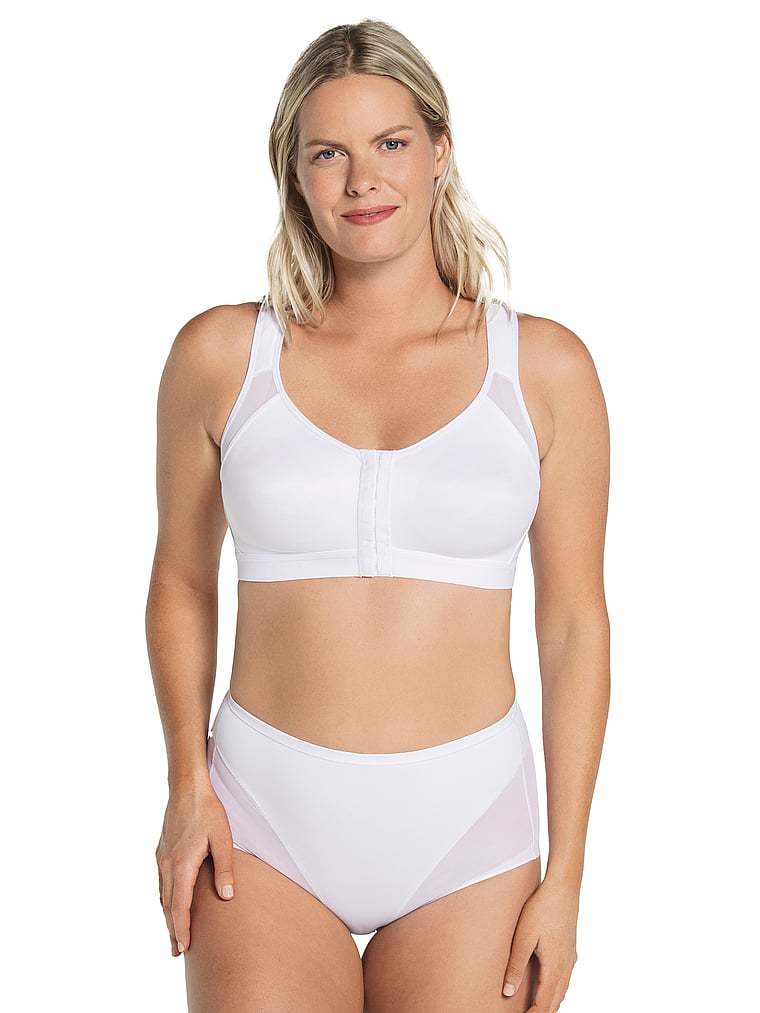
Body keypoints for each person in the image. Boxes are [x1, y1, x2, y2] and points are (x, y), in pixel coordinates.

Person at [146, 18, 610, 1013]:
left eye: (390, 143)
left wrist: (567, 874)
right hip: (260, 822)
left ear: (439, 149)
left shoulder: (544, 370)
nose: (363, 180)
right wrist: (187, 784)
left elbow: (574, 623)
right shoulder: (223, 357)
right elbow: (179, 582)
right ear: (294, 174)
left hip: (469, 835)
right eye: (329, 153)